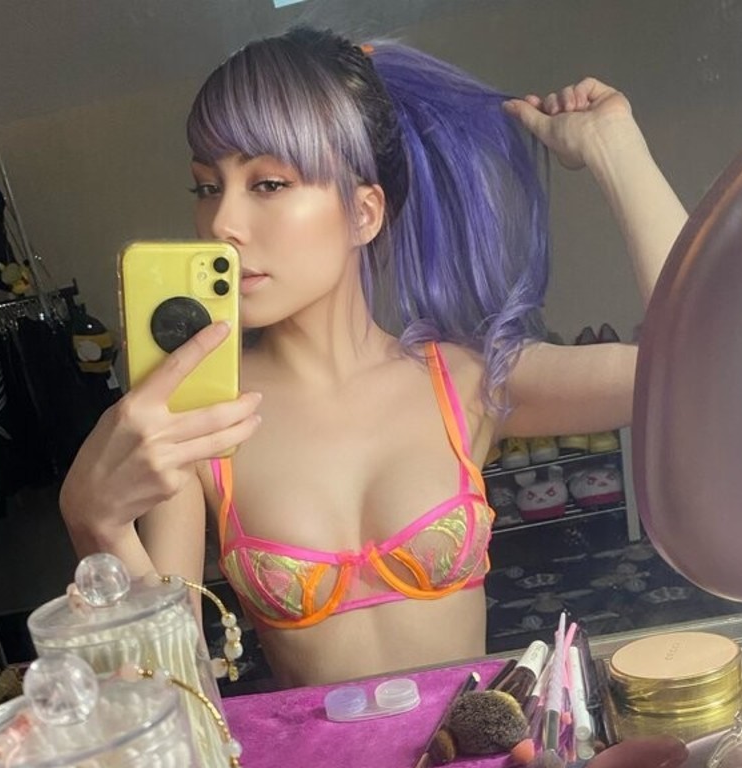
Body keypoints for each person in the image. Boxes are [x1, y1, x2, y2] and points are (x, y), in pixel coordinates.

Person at [60, 27, 686, 688]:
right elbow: (175, 696)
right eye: (206, 187)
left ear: (364, 212)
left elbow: (695, 370)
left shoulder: (462, 382)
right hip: (311, 762)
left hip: (478, 755)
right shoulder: (203, 421)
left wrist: (618, 151)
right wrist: (97, 526)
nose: (221, 224)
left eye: (267, 183)